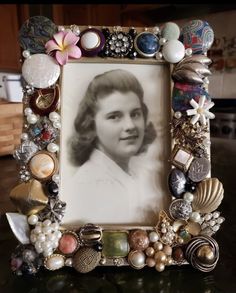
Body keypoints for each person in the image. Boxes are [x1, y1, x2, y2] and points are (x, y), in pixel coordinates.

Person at [66, 69, 164, 225]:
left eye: (135, 114)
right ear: (91, 124)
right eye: (114, 116)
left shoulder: (138, 174)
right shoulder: (90, 186)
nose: (130, 125)